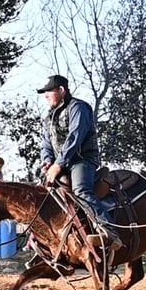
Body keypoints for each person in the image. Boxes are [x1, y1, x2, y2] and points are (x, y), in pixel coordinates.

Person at [38, 74, 122, 251]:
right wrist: (47, 161)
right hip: (59, 163)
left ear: (61, 91)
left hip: (82, 160)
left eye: (49, 91)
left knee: (81, 190)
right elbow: (45, 143)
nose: (45, 95)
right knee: (40, 195)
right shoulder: (49, 116)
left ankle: (109, 231)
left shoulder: (79, 108)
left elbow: (74, 137)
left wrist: (58, 164)